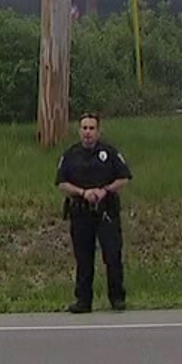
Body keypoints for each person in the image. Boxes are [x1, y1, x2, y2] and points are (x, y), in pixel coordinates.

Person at [54, 112, 132, 313]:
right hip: (81, 212)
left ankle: (117, 299)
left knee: (112, 255)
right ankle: (83, 301)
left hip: (106, 212)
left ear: (98, 131)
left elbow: (124, 178)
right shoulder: (70, 155)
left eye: (92, 128)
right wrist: (83, 192)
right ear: (79, 131)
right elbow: (61, 183)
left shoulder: (109, 153)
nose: (88, 133)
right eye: (84, 128)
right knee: (83, 258)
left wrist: (104, 190)